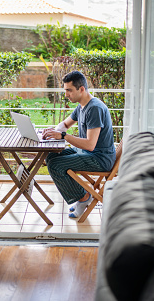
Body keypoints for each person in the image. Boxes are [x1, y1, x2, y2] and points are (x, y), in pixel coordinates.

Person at [42, 70, 116, 218]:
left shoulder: (94, 108)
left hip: (99, 159)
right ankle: (81, 196)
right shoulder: (82, 105)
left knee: (56, 165)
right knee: (51, 157)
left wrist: (63, 135)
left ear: (81, 89)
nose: (66, 94)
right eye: (65, 90)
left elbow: (90, 145)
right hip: (88, 153)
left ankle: (83, 197)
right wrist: (52, 132)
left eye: (69, 90)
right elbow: (65, 124)